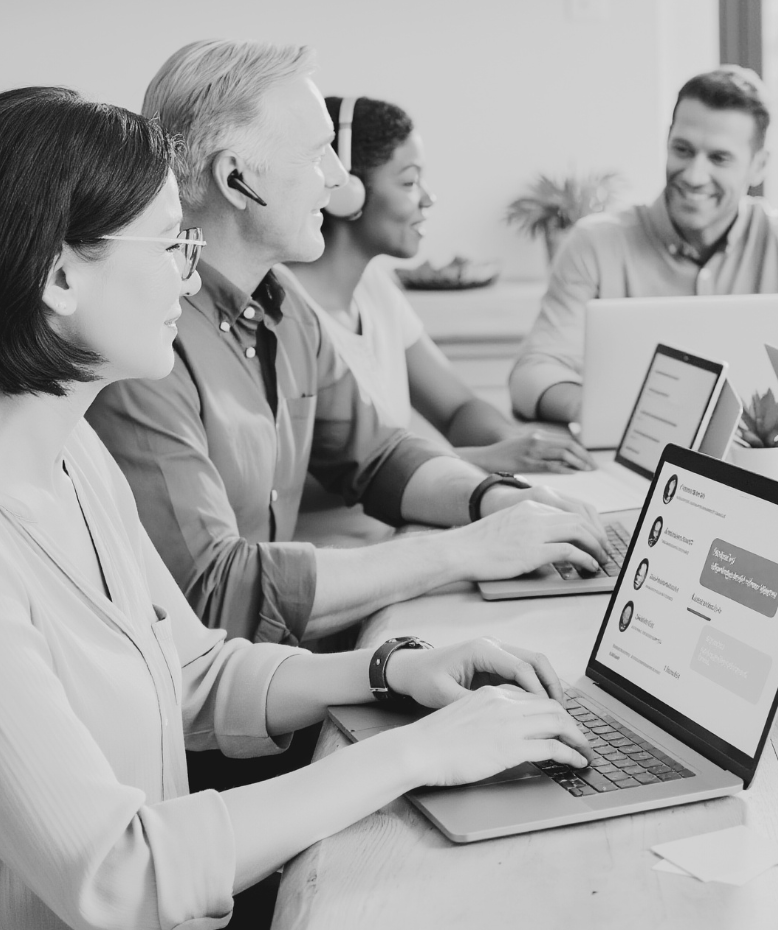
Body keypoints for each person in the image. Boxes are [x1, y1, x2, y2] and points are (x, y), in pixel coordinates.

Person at [0, 87, 589, 930]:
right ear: (61, 275)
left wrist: (390, 670)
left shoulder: (68, 451)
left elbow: (194, 674)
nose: (190, 275)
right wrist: (420, 753)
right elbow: (122, 874)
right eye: (171, 244)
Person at [87, 40, 611, 659]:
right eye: (317, 156)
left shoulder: (282, 304)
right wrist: (467, 549)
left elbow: (377, 454)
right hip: (216, 713)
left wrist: (497, 500)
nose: (339, 180)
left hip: (280, 667)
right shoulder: (149, 341)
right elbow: (214, 594)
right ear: (237, 179)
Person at [509, 65, 778, 423]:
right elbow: (532, 375)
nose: (694, 175)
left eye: (719, 158)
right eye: (683, 150)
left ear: (759, 166)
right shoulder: (595, 243)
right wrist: (604, 412)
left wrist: (762, 414)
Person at [281, 94, 592, 476]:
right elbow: (295, 480)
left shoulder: (372, 288)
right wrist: (480, 460)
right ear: (345, 190)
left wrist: (516, 442)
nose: (428, 198)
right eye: (410, 181)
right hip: (349, 535)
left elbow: (458, 408)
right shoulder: (281, 308)